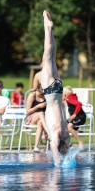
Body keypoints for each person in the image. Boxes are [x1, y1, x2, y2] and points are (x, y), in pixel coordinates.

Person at [40, 10, 70, 165]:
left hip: (58, 90)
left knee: (52, 55)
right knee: (47, 57)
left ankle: (48, 27)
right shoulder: (57, 134)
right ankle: (47, 28)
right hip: (51, 94)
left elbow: (67, 144)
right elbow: (53, 144)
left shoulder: (66, 133)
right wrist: (58, 161)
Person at [25, 84, 48, 152]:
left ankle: (36, 147)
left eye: (43, 93)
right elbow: (28, 111)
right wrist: (38, 106)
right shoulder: (32, 95)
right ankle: (48, 131)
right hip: (32, 118)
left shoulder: (46, 96)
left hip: (44, 119)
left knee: (40, 122)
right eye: (40, 93)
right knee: (41, 113)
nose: (42, 95)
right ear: (37, 90)